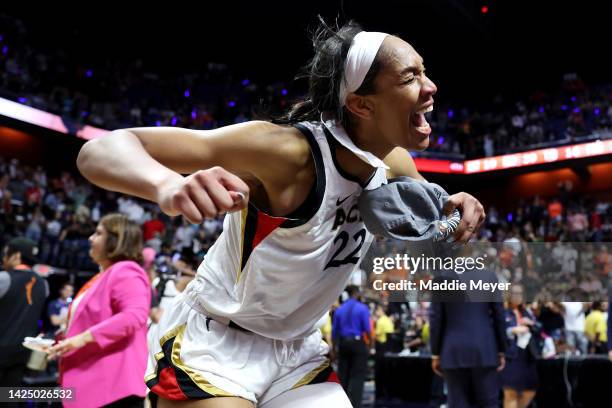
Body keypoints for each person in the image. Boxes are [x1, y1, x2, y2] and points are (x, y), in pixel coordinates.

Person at [76, 18, 485, 408]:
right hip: (216, 342)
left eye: (424, 71)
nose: (430, 86)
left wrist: (456, 208)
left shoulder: (395, 163)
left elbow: (434, 231)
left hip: (298, 350)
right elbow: (101, 150)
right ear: (361, 105)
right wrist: (167, 185)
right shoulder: (286, 153)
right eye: (410, 77)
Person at [48, 213, 151, 408]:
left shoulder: (126, 270)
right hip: (89, 383)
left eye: (98, 233)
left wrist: (80, 339)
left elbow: (133, 316)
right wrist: (65, 338)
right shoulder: (100, 277)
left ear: (115, 240)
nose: (90, 238)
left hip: (112, 388)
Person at [429, 268, 506, 408]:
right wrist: (502, 349)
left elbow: (436, 319)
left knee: (457, 404)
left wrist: (436, 353)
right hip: (485, 349)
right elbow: (499, 315)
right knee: (489, 403)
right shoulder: (489, 276)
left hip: (453, 350)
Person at [0, 238, 48, 387]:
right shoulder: (44, 284)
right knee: (9, 398)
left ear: (16, 255)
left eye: (5, 253)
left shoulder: (4, 278)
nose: (3, 258)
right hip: (23, 353)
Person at [332, 285, 372, 408]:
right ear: (356, 293)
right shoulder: (362, 308)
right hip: (358, 343)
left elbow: (335, 332)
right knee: (357, 376)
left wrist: (334, 349)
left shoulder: (339, 309)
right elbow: (368, 329)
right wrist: (370, 344)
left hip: (343, 344)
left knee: (343, 375)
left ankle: (341, 404)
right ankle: (354, 405)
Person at [500, 284, 539, 408]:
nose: (518, 296)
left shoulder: (526, 312)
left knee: (530, 390)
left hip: (527, 355)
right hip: (511, 356)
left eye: (520, 293)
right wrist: (512, 330)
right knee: (510, 392)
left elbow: (540, 328)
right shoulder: (503, 311)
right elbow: (497, 330)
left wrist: (532, 324)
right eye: (515, 293)